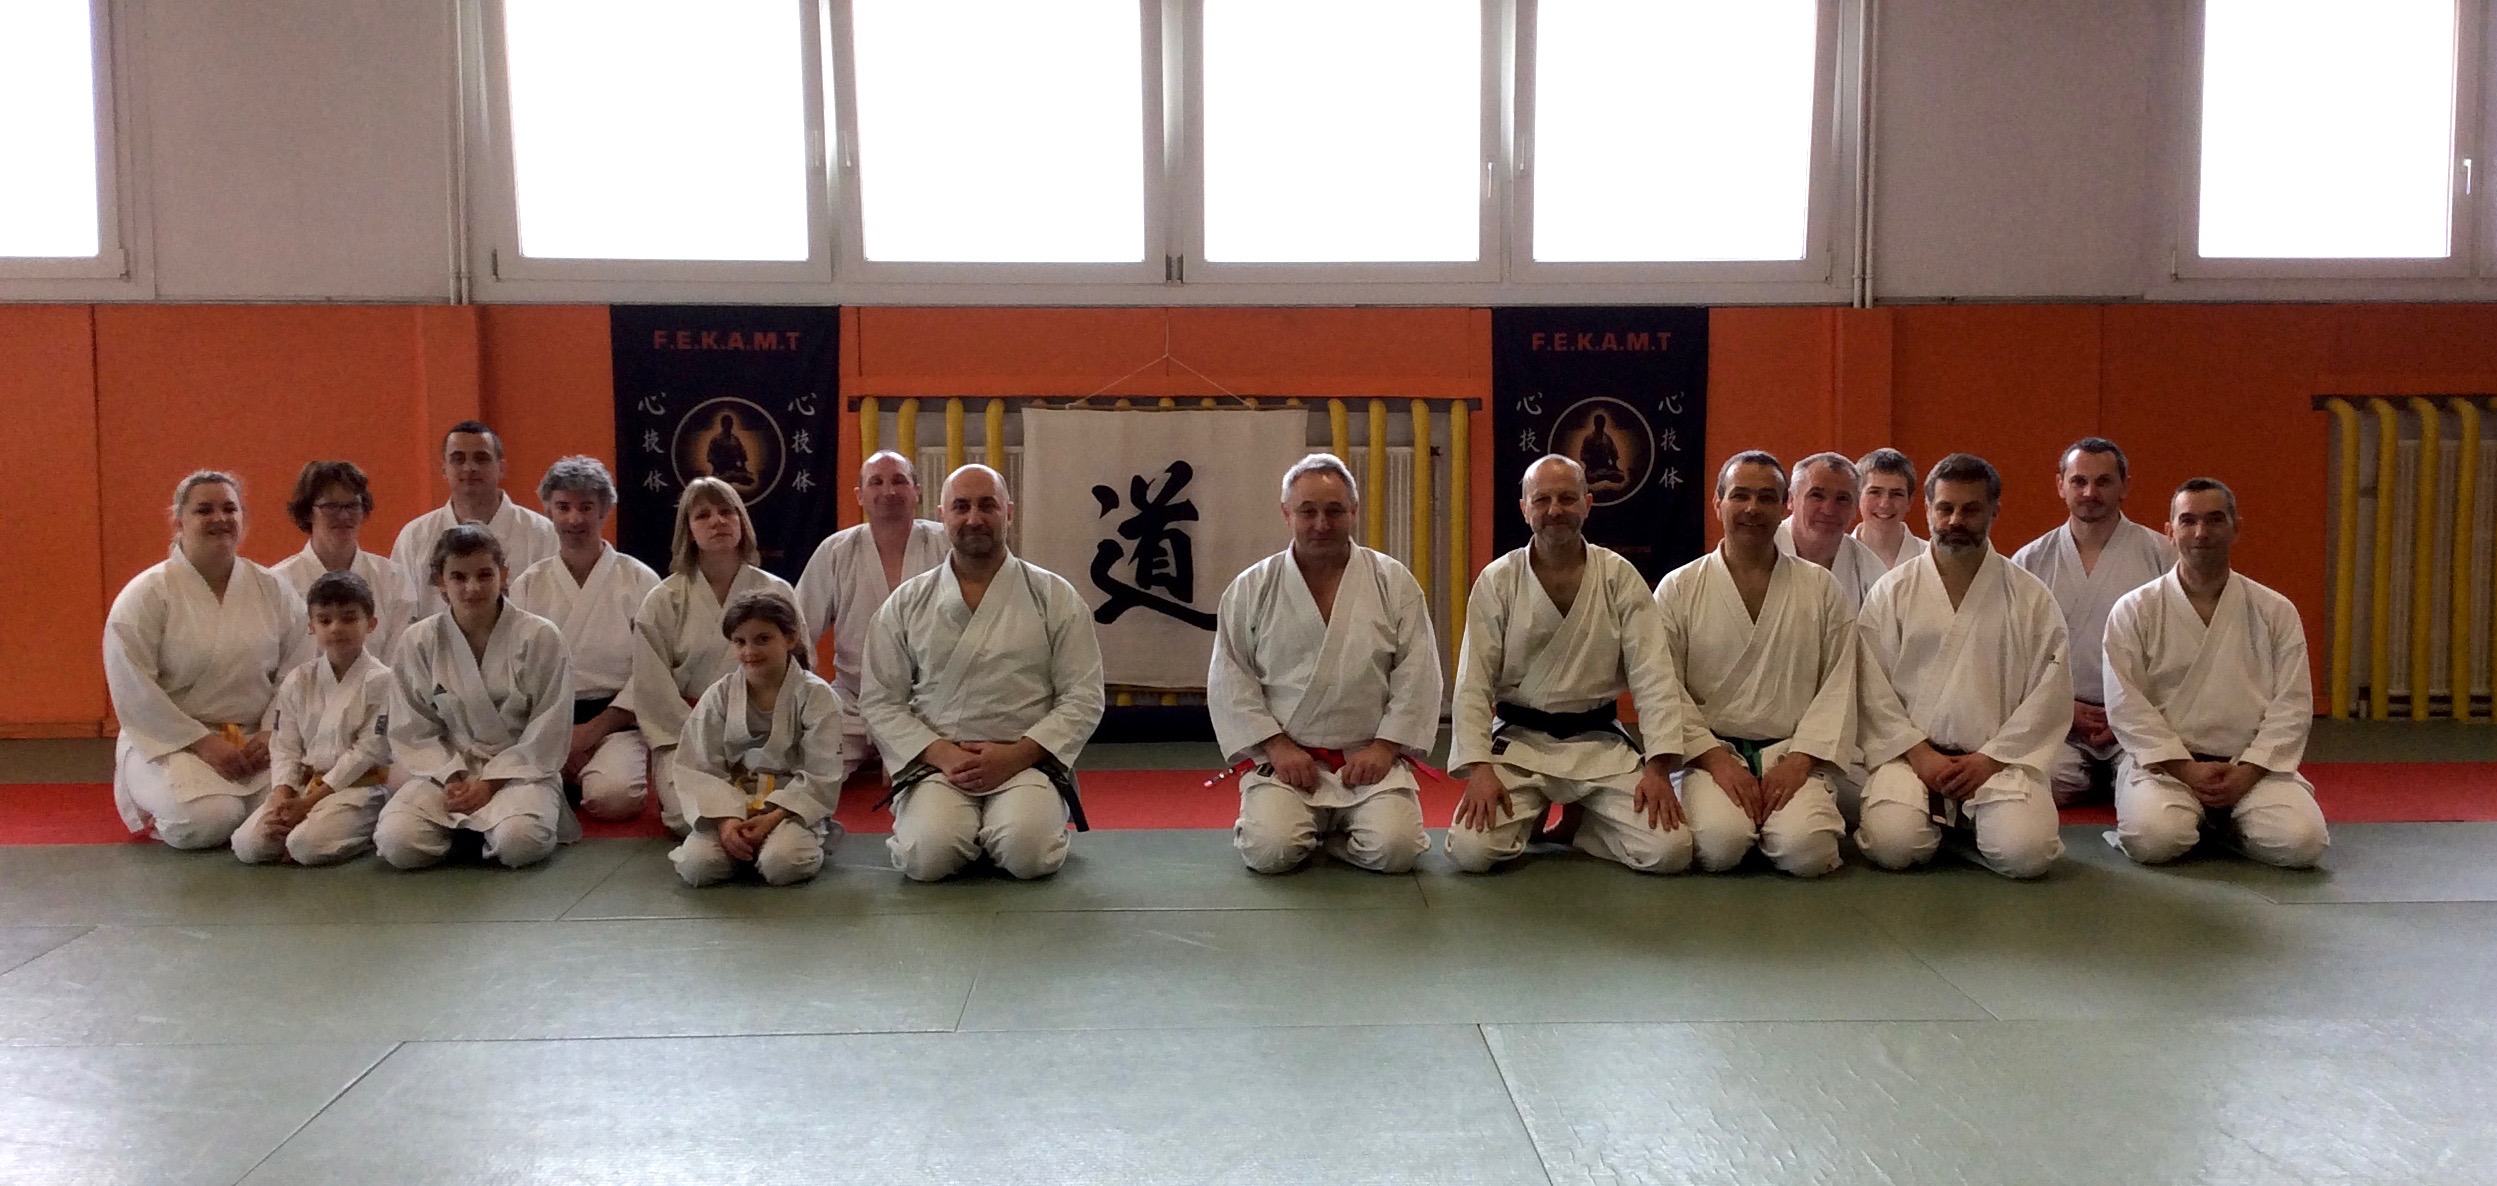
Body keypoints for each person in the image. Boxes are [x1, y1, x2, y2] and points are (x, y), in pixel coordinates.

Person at [1444, 455, 1693, 875]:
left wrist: (1657, 768)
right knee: (1472, 850)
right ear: (1524, 508)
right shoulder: (1498, 580)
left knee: (1670, 851)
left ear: (1587, 504)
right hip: (1520, 742)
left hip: (1598, 744)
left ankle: (1585, 822)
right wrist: (1480, 769)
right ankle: (1538, 811)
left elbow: (1654, 677)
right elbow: (1473, 683)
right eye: (1541, 500)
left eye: (1567, 498)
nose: (1555, 510)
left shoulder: (1618, 577)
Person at [862, 465, 1105, 882]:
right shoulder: (907, 603)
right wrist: (941, 754)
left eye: (986, 506)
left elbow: (1083, 695)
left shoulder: (1053, 596)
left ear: (1008, 512)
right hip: (939, 765)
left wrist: (1017, 755)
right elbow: (880, 699)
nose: (974, 518)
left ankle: (1006, 827)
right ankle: (967, 831)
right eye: (961, 507)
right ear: (942, 516)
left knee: (1028, 854)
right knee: (928, 857)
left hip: (1026, 762)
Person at [1208, 454, 1441, 875]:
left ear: (1353, 511)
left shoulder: (1393, 582)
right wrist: (1277, 746)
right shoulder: (1251, 587)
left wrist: (1385, 747)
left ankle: (1331, 840)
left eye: (1334, 511)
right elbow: (1231, 676)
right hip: (1287, 763)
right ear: (1286, 514)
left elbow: (1418, 672)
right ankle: (1290, 824)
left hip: (1368, 760)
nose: (1321, 524)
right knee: (1271, 853)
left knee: (1397, 851)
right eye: (1307, 511)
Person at [1854, 453, 2069, 879]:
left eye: (1971, 509)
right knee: (1893, 846)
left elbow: (2049, 693)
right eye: (1945, 508)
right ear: (1927, 509)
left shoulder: (2030, 596)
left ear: (1994, 510)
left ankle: (1961, 826)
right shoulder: (1891, 591)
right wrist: (1919, 754)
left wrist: (1990, 759)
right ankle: (1952, 825)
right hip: (1910, 758)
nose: (1956, 520)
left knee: (2027, 856)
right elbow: (1870, 685)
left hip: (1999, 761)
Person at [2102, 479, 2329, 868]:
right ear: (2169, 531)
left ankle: (2225, 824)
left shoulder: (2275, 610)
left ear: (2236, 528)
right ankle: (2206, 821)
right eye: (2188, 521)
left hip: (2251, 766)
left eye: (2214, 520)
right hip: (2166, 767)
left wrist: (2249, 772)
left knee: (2303, 843)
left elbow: (2292, 704)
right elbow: (2126, 705)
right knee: (2155, 839)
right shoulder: (2134, 609)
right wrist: (2185, 769)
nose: (2201, 532)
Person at [1654, 452, 1854, 878]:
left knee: (1808, 853)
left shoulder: (1821, 588)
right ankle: (1745, 823)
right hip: (1711, 754)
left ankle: (1777, 825)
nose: (1752, 508)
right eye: (1740, 495)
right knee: (1720, 847)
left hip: (1792, 753)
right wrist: (1715, 761)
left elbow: (1840, 682)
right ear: (1718, 503)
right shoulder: (1679, 587)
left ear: (1784, 506)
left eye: (1766, 498)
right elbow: (1662, 686)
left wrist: (1801, 761)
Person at [104, 471, 311, 849]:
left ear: (243, 517)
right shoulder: (146, 594)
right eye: (204, 510)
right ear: (178, 520)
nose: (220, 518)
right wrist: (202, 742)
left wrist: (273, 731)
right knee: (210, 819)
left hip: (256, 741)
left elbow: (297, 669)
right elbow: (133, 688)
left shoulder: (272, 589)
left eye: (229, 509)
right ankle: (160, 808)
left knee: (296, 809)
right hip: (172, 742)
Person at [376, 526, 576, 870]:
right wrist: (453, 777)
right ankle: (469, 833)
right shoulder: (418, 641)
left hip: (520, 771)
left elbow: (548, 727)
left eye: (485, 575)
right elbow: (413, 730)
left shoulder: (540, 636)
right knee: (397, 843)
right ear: (440, 581)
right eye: (458, 577)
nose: (472, 588)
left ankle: (480, 832)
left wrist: (489, 783)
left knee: (520, 843)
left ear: (503, 575)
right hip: (446, 771)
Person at [624, 478, 797, 836]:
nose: (717, 521)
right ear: (688, 531)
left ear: (741, 521)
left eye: (726, 511)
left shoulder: (776, 591)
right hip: (686, 734)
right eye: (703, 515)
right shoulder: (663, 600)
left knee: (773, 810)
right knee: (685, 817)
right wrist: (707, 738)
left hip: (764, 733)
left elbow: (798, 670)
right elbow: (652, 688)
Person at [2013, 437, 2175, 806]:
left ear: (2125, 486)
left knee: (2155, 803)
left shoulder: (2162, 556)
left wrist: (2129, 713)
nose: (2090, 492)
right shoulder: (2030, 561)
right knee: (2029, 785)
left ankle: (2122, 781)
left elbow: (2180, 651)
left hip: (2141, 719)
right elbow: (2014, 655)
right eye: (2079, 481)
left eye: (2103, 481)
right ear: (2060, 485)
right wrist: (2063, 709)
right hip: (2060, 722)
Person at [509, 457, 662, 822]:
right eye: (563, 507)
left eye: (586, 507)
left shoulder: (639, 580)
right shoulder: (528, 584)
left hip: (616, 722)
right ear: (547, 510)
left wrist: (591, 733)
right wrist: (558, 738)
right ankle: (562, 777)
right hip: (546, 722)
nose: (574, 519)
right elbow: (516, 671)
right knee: (519, 799)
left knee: (615, 798)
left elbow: (652, 670)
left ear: (605, 510)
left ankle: (578, 778)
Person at [669, 591, 852, 886]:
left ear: (790, 639)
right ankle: (741, 848)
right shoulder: (720, 695)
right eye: (740, 642)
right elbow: (699, 766)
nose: (750, 651)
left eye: (763, 639)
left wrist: (772, 818)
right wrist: (726, 821)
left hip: (788, 810)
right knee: (697, 866)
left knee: (782, 864)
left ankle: (793, 842)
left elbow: (822, 771)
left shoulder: (817, 696)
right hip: (731, 804)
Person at [793, 450, 948, 768]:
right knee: (814, 767)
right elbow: (798, 630)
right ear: (859, 495)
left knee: (943, 775)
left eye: (899, 481)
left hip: (932, 702)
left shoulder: (945, 544)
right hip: (854, 701)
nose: (888, 491)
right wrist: (805, 693)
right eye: (876, 482)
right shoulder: (837, 551)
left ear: (917, 491)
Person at [232, 572, 398, 865]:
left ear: (371, 624)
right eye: (325, 620)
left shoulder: (382, 681)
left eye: (349, 619)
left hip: (357, 789)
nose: (336, 628)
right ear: (311, 626)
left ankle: (367, 827)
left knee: (305, 846)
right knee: (249, 846)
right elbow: (284, 746)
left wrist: (308, 804)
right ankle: (301, 822)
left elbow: (367, 751)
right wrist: (283, 795)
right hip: (302, 785)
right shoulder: (299, 680)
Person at [390, 420, 558, 621]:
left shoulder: (542, 533)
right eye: (458, 459)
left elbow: (554, 611)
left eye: (481, 458)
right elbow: (400, 615)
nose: (469, 467)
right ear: (443, 469)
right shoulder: (414, 537)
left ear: (501, 467)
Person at [270, 460, 410, 663]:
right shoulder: (277, 583)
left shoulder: (393, 579)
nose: (344, 515)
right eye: (331, 506)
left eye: (352, 505)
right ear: (308, 512)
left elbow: (400, 662)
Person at [1776, 452, 1885, 610]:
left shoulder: (1870, 568)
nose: (1829, 510)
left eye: (1842, 499)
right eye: (1817, 496)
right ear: (1791, 500)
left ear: (1855, 508)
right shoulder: (1762, 550)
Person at [1853, 447, 1929, 573]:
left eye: (1897, 494)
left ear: (1909, 501)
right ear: (1857, 496)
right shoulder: (1837, 554)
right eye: (1875, 492)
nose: (1885, 504)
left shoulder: (1929, 558)